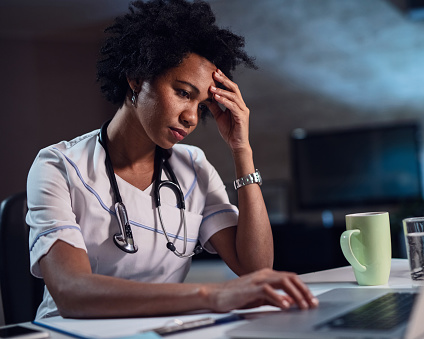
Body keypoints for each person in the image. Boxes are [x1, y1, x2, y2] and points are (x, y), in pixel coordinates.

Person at [26, 0, 318, 319]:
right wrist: (211, 294)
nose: (192, 117)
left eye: (202, 104)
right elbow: (72, 293)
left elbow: (256, 267)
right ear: (137, 78)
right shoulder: (58, 166)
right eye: (183, 93)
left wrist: (241, 150)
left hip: (163, 330)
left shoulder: (193, 166)